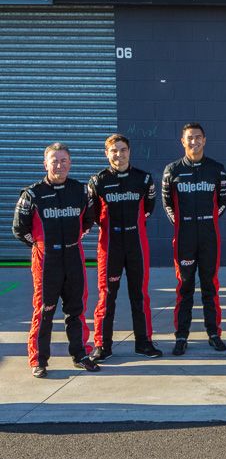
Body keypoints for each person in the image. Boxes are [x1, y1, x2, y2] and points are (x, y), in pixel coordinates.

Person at [12, 143, 100, 378]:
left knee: (76, 309)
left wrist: (73, 239)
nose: (59, 165)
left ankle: (80, 355)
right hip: (46, 259)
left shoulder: (81, 191)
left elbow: (89, 220)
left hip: (73, 256)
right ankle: (38, 360)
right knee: (44, 310)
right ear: (45, 164)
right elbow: (19, 229)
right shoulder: (32, 194)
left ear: (70, 164)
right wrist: (40, 245)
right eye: (54, 161)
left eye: (63, 161)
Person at [88, 134, 162, 361]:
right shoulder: (97, 181)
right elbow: (93, 214)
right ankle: (102, 345)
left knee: (139, 294)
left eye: (122, 150)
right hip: (110, 245)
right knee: (106, 296)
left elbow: (148, 208)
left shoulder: (144, 178)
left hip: (136, 243)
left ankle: (144, 342)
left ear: (129, 152)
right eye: (114, 150)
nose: (118, 155)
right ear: (106, 154)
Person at [162, 123, 226, 356]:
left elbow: (223, 201)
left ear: (204, 140)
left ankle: (214, 334)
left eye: (198, 137)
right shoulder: (172, 170)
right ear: (183, 141)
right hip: (185, 237)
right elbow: (167, 204)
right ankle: (181, 336)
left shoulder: (217, 170)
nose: (194, 141)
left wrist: (208, 219)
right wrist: (183, 224)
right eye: (189, 138)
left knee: (210, 286)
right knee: (185, 288)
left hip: (209, 236)